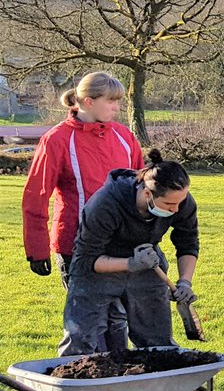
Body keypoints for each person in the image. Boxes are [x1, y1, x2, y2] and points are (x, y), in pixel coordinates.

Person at [23, 72, 143, 353]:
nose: (117, 107)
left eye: (119, 101)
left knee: (118, 318)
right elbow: (35, 196)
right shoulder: (56, 140)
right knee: (88, 322)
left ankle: (117, 377)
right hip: (76, 246)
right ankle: (80, 380)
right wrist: (37, 250)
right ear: (88, 102)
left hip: (120, 245)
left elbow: (141, 187)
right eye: (111, 101)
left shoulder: (125, 137)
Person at [60, 151, 198, 356]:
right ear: (147, 193)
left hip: (148, 265)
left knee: (157, 342)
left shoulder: (181, 201)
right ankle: (75, 384)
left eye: (180, 202)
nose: (177, 210)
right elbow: (86, 260)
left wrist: (185, 281)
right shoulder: (105, 204)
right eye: (169, 205)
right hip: (97, 269)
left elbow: (188, 244)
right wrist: (131, 263)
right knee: (80, 340)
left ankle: (156, 384)